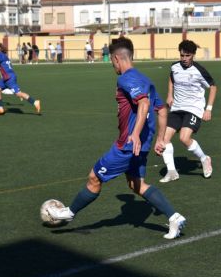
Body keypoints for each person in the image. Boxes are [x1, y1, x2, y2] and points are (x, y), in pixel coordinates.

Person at [47, 37, 186, 240]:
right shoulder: (145, 79)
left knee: (94, 178)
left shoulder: (126, 78)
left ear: (116, 58)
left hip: (128, 146)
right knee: (136, 184)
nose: (113, 66)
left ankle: (68, 213)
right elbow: (162, 110)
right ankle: (174, 217)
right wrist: (160, 139)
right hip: (143, 145)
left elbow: (145, 104)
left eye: (112, 62)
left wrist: (135, 133)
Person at [159, 40, 216, 183]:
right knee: (164, 138)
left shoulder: (199, 70)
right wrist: (170, 94)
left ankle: (204, 159)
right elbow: (172, 79)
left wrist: (208, 109)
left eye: (187, 55)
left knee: (184, 138)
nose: (184, 58)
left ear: (193, 55)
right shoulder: (175, 67)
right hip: (177, 107)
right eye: (182, 55)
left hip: (194, 109)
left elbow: (213, 87)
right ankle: (172, 172)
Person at [0, 43, 41, 116]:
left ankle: (35, 102)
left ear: (0, 49)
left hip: (9, 78)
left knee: (18, 93)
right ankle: (0, 108)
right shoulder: (3, 55)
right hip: (5, 77)